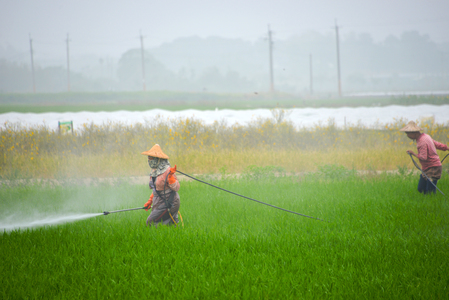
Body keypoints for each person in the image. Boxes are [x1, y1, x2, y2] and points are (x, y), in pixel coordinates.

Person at [400, 121, 448, 194]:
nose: (407, 135)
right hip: (427, 168)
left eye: (408, 133)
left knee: (430, 192)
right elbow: (437, 144)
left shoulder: (421, 141)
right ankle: (426, 201)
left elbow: (423, 157)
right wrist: (446, 148)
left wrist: (413, 153)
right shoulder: (426, 136)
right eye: (406, 133)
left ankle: (431, 203)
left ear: (415, 132)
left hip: (433, 168)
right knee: (421, 189)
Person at [141, 144, 180, 226]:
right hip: (158, 202)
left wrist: (170, 177)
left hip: (170, 201)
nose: (149, 161)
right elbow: (156, 189)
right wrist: (150, 201)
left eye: (151, 159)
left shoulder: (168, 170)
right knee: (168, 225)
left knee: (150, 222)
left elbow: (176, 187)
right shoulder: (154, 171)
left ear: (158, 159)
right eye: (148, 159)